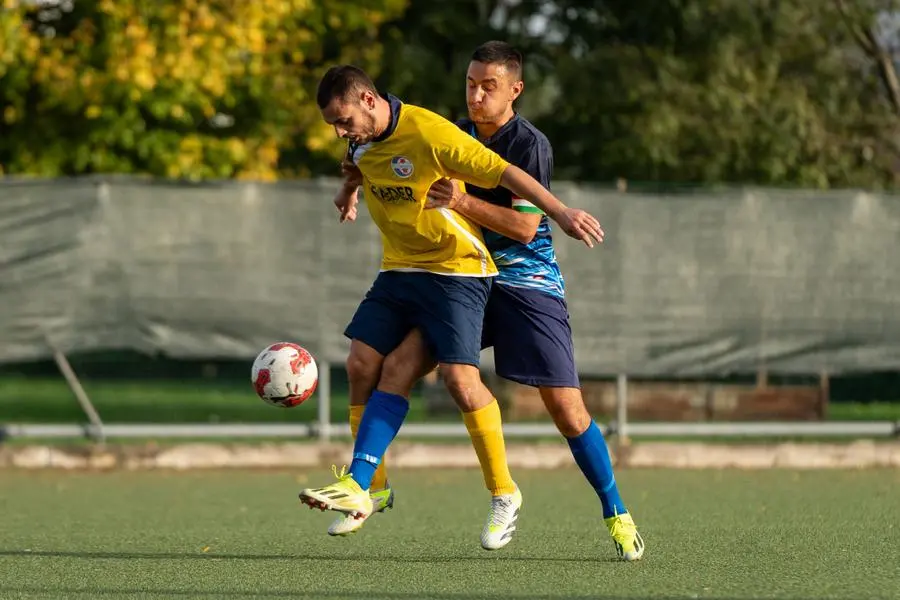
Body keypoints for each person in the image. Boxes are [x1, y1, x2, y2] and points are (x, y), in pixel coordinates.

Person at [324, 42, 644, 561]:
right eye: (470, 84)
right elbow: (375, 153)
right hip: (459, 274)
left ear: (514, 90)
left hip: (523, 281)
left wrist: (467, 201)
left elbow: (523, 228)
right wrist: (353, 186)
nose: (475, 95)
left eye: (487, 86)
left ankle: (616, 510)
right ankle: (370, 487)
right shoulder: (452, 131)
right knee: (397, 365)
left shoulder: (528, 144)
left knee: (566, 410)